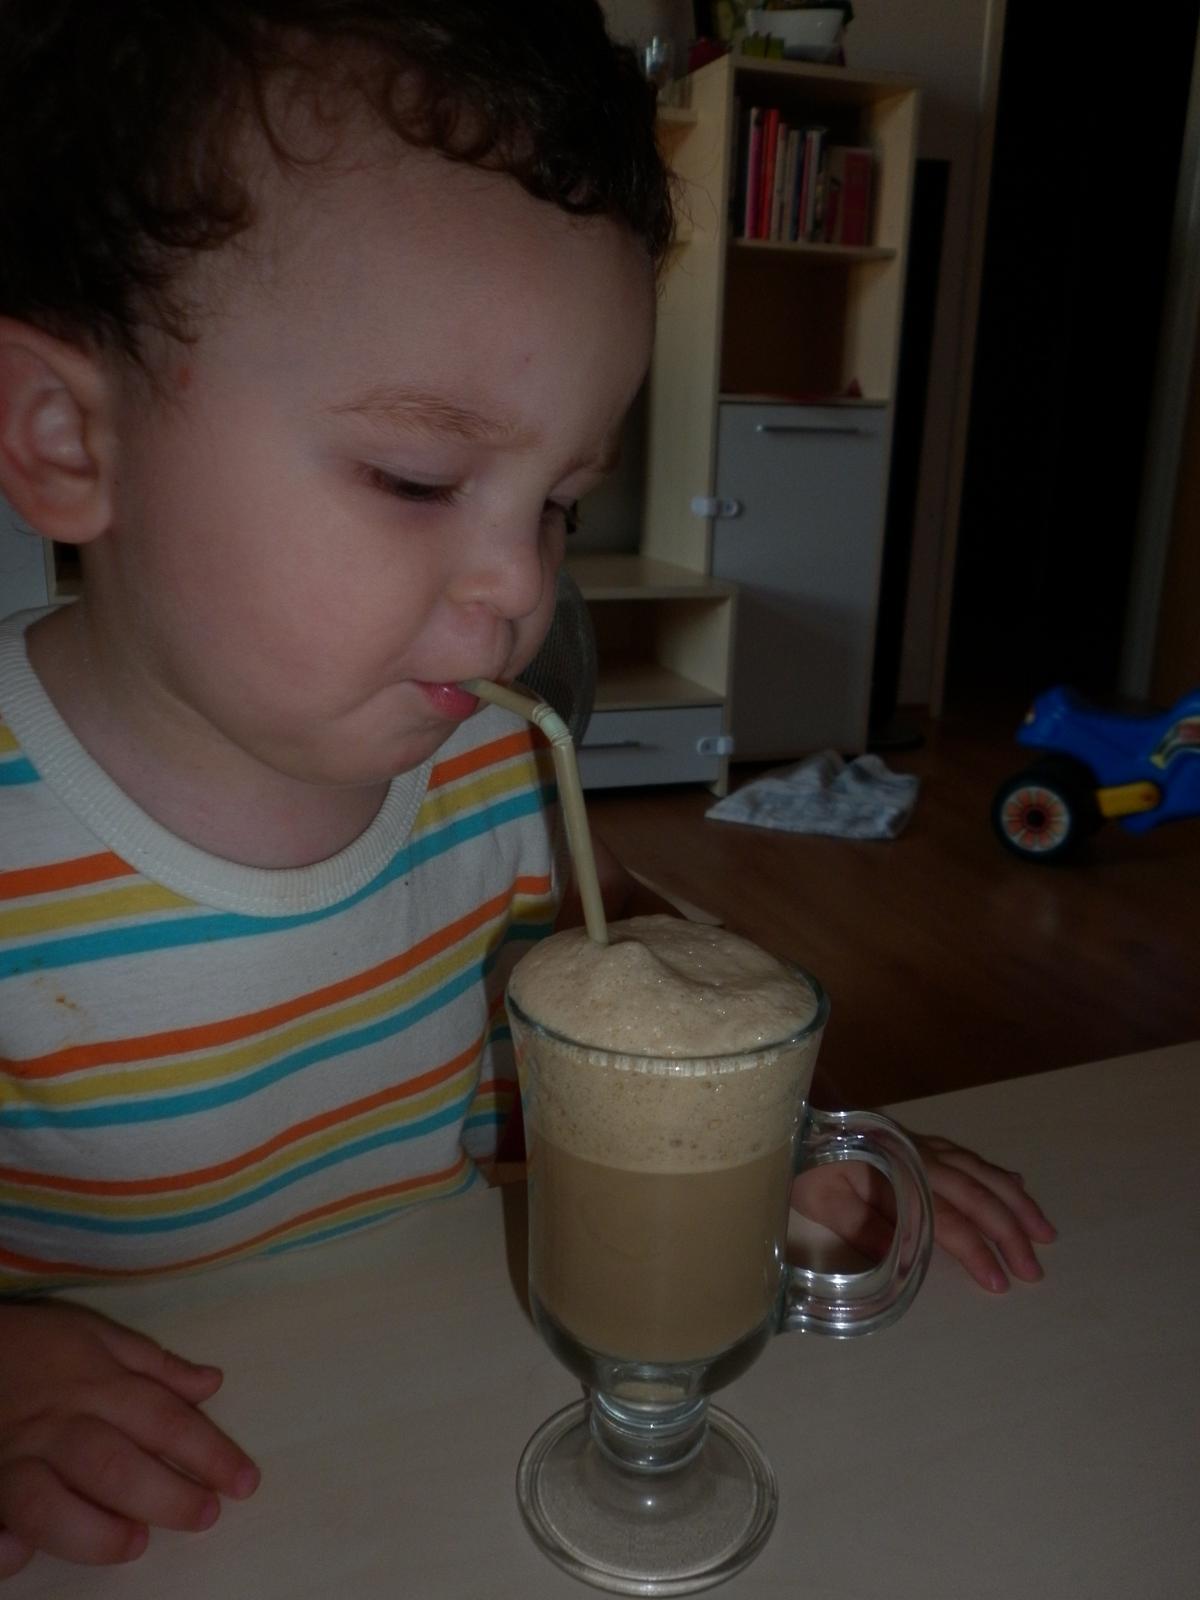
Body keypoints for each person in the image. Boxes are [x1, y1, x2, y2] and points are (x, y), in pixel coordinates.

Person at [0, 0, 1053, 1579]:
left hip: (427, 1447)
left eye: (559, 499)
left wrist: (765, 1164)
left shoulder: (489, 768)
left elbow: (578, 1043)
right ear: (69, 436)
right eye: (419, 478)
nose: (517, 588)